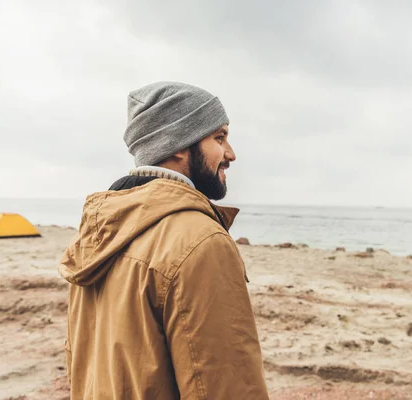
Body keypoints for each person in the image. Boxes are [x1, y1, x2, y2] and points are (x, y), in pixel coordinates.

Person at [58, 82, 269, 399]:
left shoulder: (96, 235)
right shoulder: (201, 240)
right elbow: (225, 386)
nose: (230, 154)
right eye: (219, 137)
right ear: (178, 145)